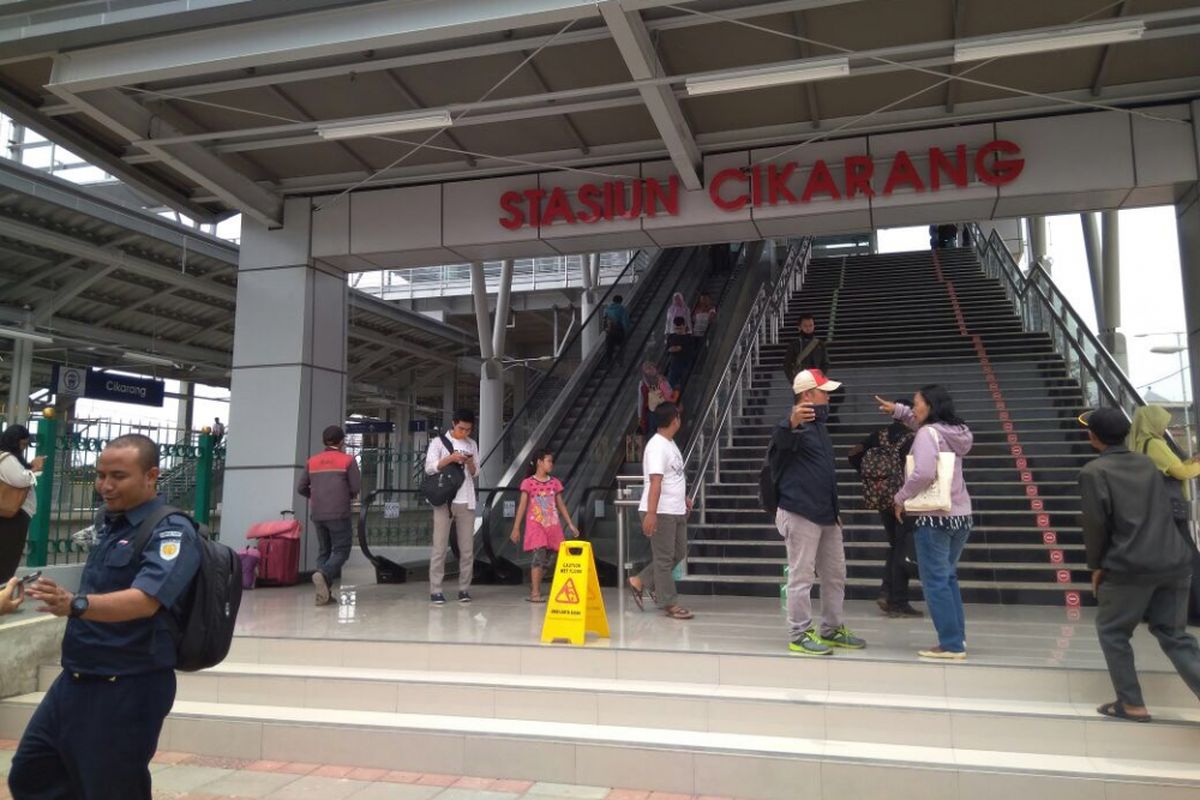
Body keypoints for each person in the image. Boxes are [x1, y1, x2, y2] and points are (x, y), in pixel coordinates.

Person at [10, 434, 202, 800]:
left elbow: (147, 599)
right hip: (77, 678)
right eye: (101, 475)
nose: (105, 486)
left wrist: (76, 605)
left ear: (151, 476)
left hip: (128, 684)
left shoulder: (171, 531)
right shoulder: (110, 524)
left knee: (111, 788)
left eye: (118, 476)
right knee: (33, 775)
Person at [1078, 407, 1200, 722]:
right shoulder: (1148, 463)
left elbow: (1096, 525)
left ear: (1093, 437)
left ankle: (1131, 703)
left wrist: (1096, 566)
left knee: (1113, 630)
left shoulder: (1094, 472)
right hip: (1174, 559)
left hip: (1129, 563)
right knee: (1175, 635)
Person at [773, 369, 865, 655]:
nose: (828, 396)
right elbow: (777, 449)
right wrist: (790, 422)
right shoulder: (794, 426)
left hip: (826, 514)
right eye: (823, 391)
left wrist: (835, 510)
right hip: (800, 511)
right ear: (807, 394)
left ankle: (832, 628)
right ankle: (799, 633)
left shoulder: (820, 427)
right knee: (801, 577)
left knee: (835, 574)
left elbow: (826, 473)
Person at [879, 387, 974, 660]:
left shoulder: (926, 434)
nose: (914, 408)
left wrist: (900, 498)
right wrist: (897, 410)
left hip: (934, 517)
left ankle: (951, 644)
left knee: (935, 581)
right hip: (961, 516)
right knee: (948, 577)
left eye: (917, 403)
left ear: (930, 406)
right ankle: (958, 638)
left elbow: (922, 472)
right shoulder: (957, 433)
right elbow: (923, 426)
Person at [1129, 404, 1200, 621]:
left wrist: (1191, 463)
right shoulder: (1156, 444)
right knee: (1190, 559)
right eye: (1162, 422)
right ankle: (1194, 610)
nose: (1165, 426)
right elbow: (1179, 472)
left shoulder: (1140, 444)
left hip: (1154, 509)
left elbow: (1171, 468)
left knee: (1158, 561)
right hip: (1170, 510)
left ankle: (1151, 609)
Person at [848, 407, 921, 618]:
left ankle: (888, 593)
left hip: (882, 499)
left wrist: (875, 479)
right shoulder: (912, 438)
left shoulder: (878, 435)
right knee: (901, 547)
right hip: (904, 500)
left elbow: (853, 455)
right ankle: (897, 599)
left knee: (895, 545)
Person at [628, 403, 693, 620]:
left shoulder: (670, 443)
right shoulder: (657, 446)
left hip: (675, 509)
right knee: (665, 559)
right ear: (674, 419)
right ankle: (669, 603)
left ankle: (640, 581)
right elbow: (655, 481)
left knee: (679, 552)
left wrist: (683, 498)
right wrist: (652, 514)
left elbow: (673, 476)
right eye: (678, 416)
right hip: (661, 511)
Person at [297, 425, 361, 606]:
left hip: (318, 513)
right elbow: (356, 488)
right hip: (339, 512)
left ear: (324, 441)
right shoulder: (347, 460)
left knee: (324, 551)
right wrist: (342, 495)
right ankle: (323, 575)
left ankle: (323, 595)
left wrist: (316, 496)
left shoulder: (312, 461)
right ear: (341, 441)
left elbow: (301, 488)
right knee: (341, 550)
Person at [424, 409, 480, 605]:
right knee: (439, 547)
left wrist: (470, 462)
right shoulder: (439, 442)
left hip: (467, 501)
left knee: (467, 549)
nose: (464, 433)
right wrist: (451, 458)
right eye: (461, 428)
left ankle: (464, 588)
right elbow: (429, 467)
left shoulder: (472, 444)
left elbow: (474, 473)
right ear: (453, 424)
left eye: (468, 430)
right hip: (444, 501)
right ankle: (436, 590)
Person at [509, 449, 579, 602]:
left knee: (549, 559)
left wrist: (570, 524)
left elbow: (560, 504)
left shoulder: (555, 483)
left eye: (551, 461)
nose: (551, 464)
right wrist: (516, 528)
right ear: (539, 462)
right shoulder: (528, 483)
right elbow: (522, 506)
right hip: (536, 525)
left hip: (552, 526)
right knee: (539, 555)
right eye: (548, 461)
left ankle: (534, 583)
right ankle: (535, 593)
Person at [0, 424, 44, 580]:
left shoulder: (9, 458)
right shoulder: (7, 458)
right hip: (14, 515)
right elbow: (22, 480)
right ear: (14, 441)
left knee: (9, 554)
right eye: (23, 444)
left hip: (15, 515)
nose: (24, 448)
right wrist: (37, 467)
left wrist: (31, 467)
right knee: (7, 556)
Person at [782, 314, 830, 383]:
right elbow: (787, 365)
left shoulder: (820, 344)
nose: (808, 328)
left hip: (816, 380)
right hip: (800, 380)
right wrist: (793, 381)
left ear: (814, 326)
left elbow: (825, 363)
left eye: (811, 325)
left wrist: (820, 376)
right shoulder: (794, 345)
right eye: (805, 326)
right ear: (799, 327)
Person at [638, 362, 676, 440]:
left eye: (650, 368)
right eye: (646, 369)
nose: (649, 371)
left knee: (662, 429)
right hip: (652, 411)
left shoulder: (662, 380)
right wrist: (640, 416)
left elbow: (669, 392)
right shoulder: (642, 383)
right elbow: (641, 400)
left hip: (663, 409)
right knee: (652, 431)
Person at [665, 316, 694, 391]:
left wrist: (677, 349)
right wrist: (677, 349)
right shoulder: (671, 337)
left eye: (680, 328)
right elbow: (668, 349)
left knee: (684, 384)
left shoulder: (688, 338)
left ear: (684, 326)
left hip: (685, 363)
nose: (678, 331)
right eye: (676, 329)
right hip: (674, 363)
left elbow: (689, 351)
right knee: (670, 382)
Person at [603, 294, 631, 366]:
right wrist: (627, 332)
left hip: (609, 332)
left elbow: (604, 321)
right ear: (620, 301)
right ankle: (620, 361)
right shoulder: (621, 309)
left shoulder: (606, 309)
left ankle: (608, 362)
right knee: (622, 346)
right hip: (619, 332)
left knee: (609, 347)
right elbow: (625, 322)